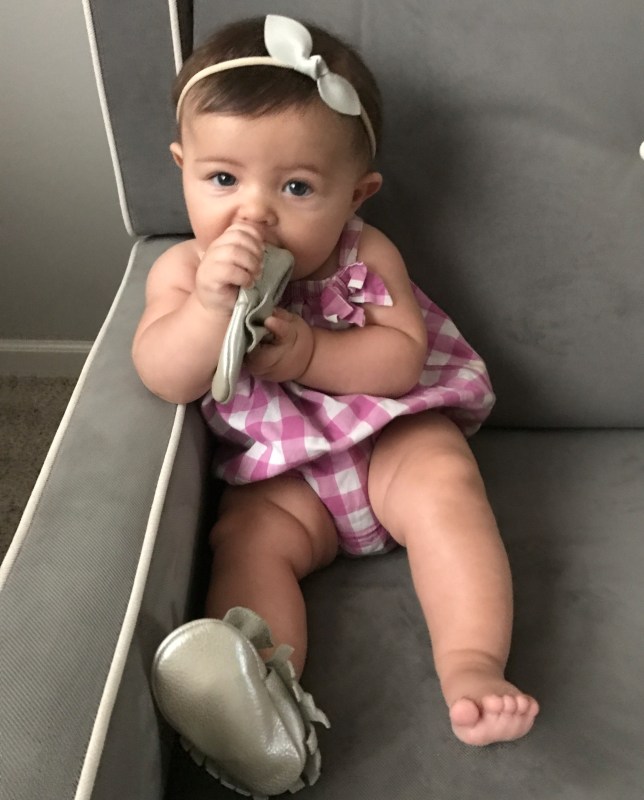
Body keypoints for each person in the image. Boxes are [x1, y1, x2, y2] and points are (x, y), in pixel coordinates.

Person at [133, 13, 539, 757]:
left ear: (356, 194)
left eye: (296, 186)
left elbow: (401, 360)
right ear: (182, 166)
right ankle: (261, 701)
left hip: (389, 443)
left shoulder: (365, 253)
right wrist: (208, 310)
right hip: (282, 481)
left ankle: (473, 663)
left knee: (447, 482)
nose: (254, 212)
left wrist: (310, 353)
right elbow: (164, 374)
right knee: (245, 541)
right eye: (222, 179)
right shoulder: (183, 271)